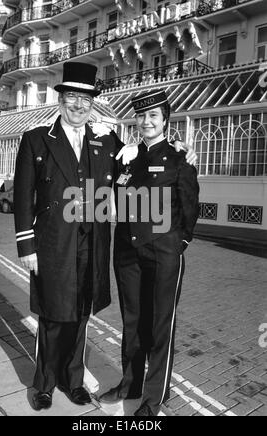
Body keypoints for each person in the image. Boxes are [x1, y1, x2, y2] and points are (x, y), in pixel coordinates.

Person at [14, 62, 197, 412]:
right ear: (61, 100)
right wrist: (27, 245)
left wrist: (180, 149)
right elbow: (24, 197)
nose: (78, 106)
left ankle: (73, 378)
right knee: (53, 314)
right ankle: (44, 384)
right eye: (71, 98)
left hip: (93, 243)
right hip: (54, 243)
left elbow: (140, 164)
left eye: (85, 99)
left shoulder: (105, 141)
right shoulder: (36, 139)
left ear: (92, 103)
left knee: (81, 312)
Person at [99, 90, 200, 416]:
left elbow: (189, 207)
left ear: (165, 120)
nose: (146, 122)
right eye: (142, 116)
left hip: (163, 253)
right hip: (128, 252)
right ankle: (130, 383)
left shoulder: (178, 157)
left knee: (159, 326)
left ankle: (154, 398)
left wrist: (178, 244)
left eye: (153, 115)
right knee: (132, 322)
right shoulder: (127, 156)